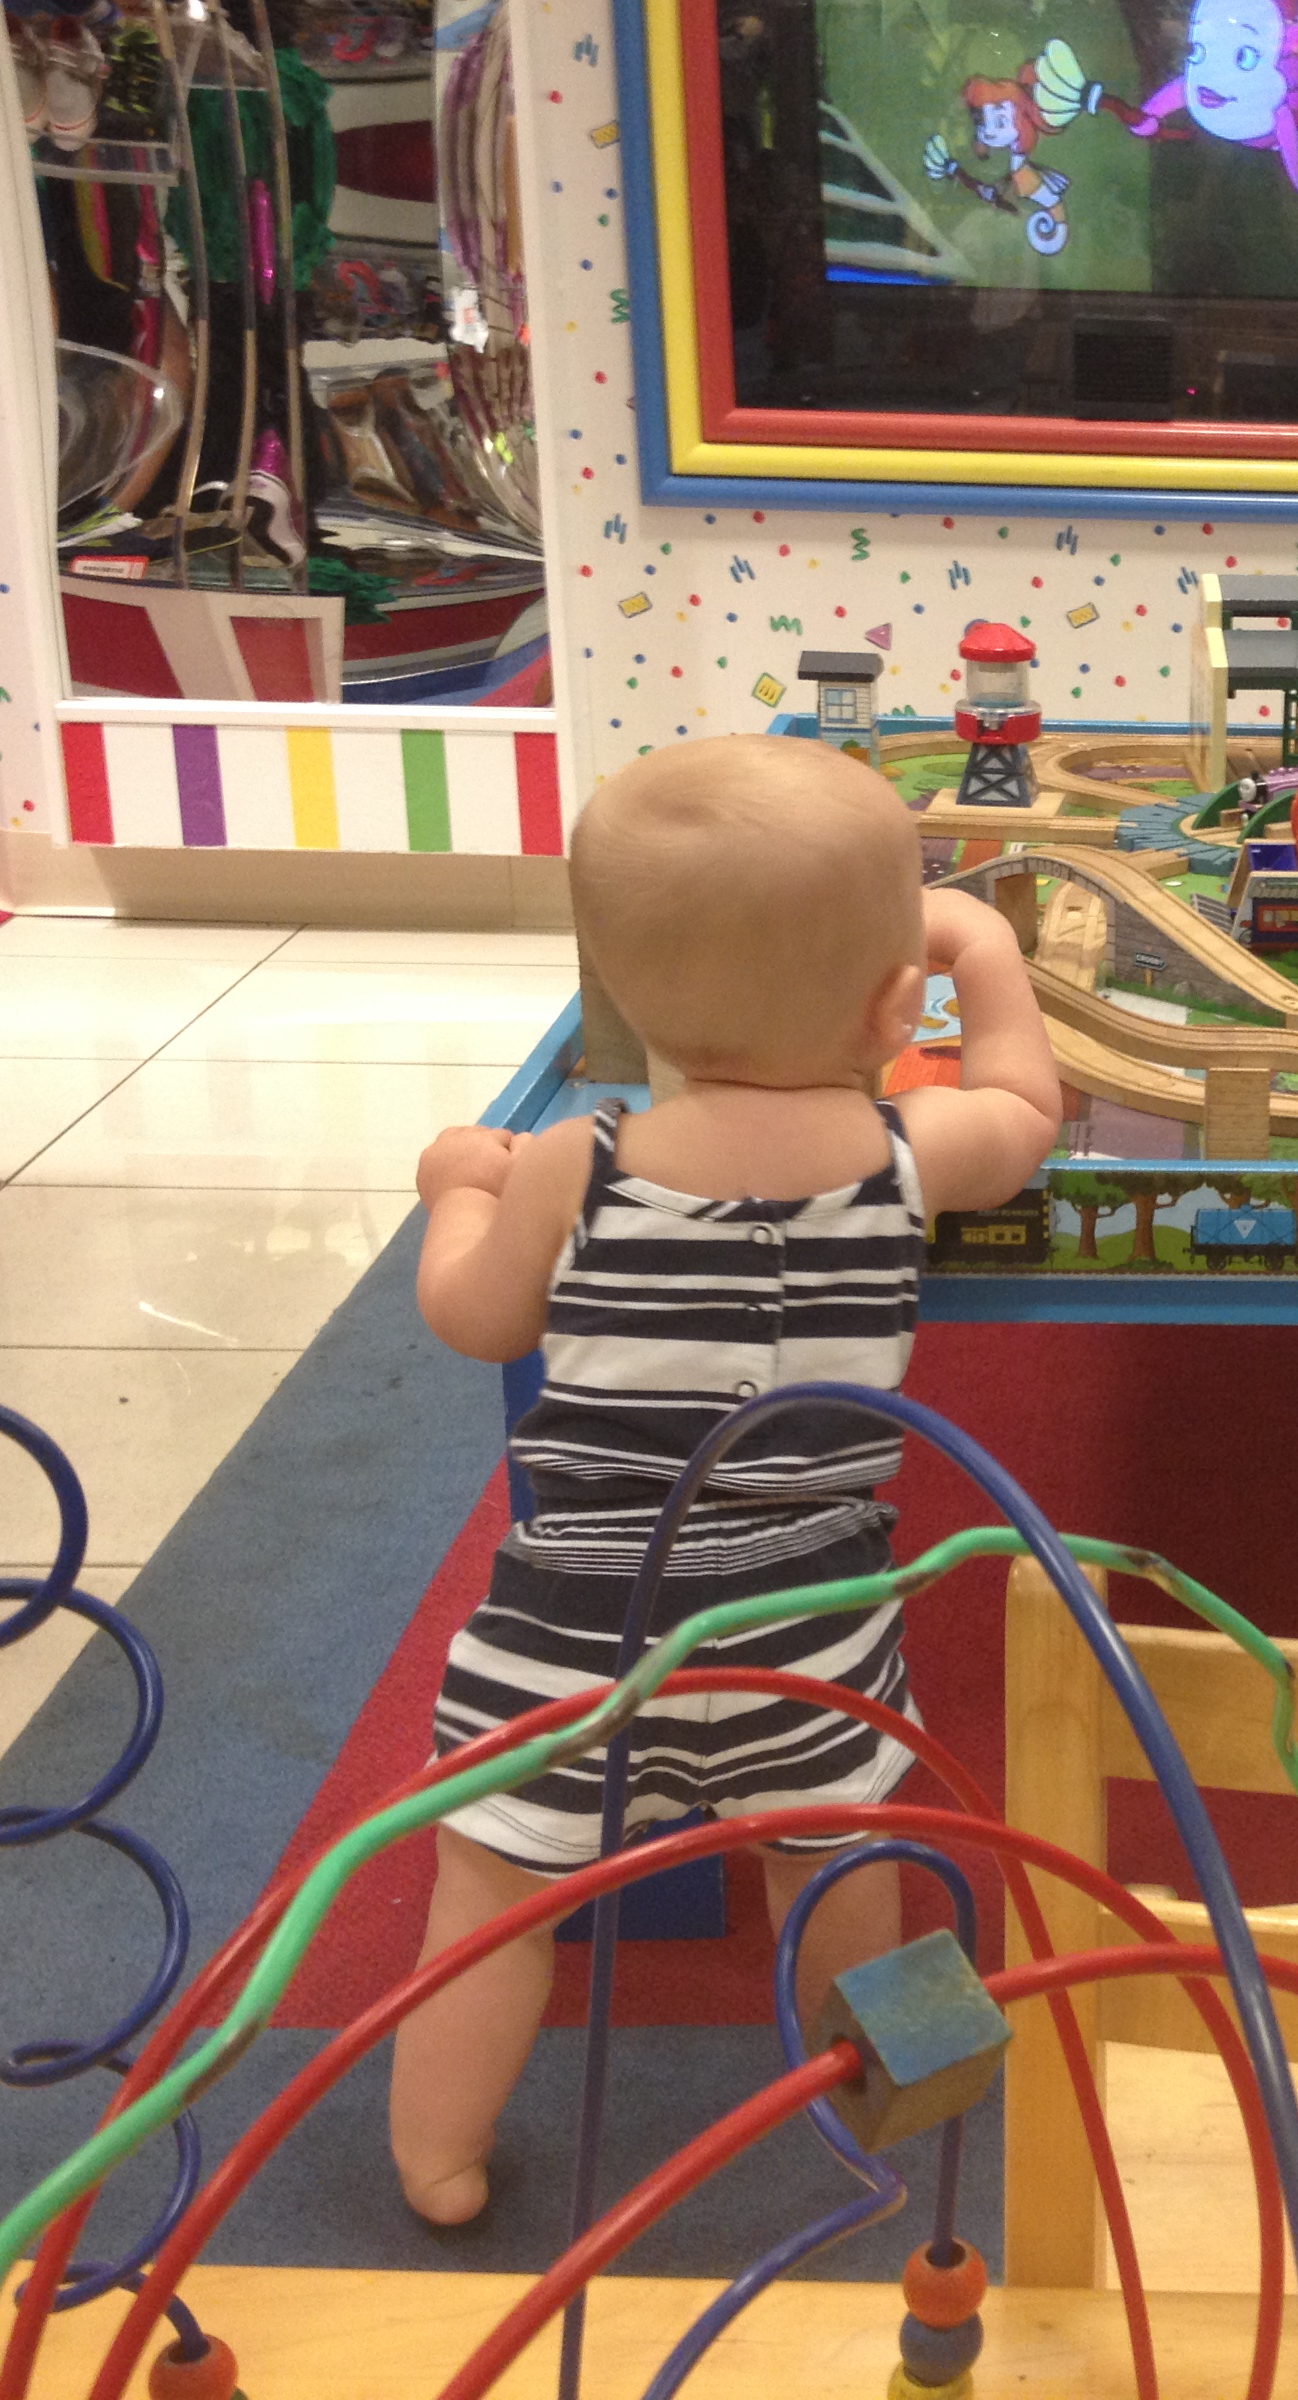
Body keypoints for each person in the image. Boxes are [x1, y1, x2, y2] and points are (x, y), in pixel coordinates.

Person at [386, 736, 1062, 2224]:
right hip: (807, 1635)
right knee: (841, 1862)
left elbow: (476, 1319)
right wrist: (988, 954)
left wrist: (456, 1193)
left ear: (626, 995)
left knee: (491, 1902)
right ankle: (876, 2097)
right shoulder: (901, 1156)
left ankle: (437, 2160)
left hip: (574, 1637)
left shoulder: (576, 1165)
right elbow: (1026, 1109)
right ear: (896, 1007)